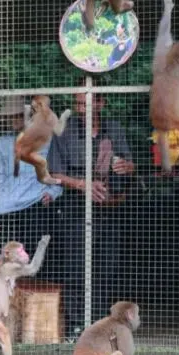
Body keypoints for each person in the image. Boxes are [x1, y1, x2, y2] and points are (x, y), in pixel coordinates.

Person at [47, 91, 134, 336]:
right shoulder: (63, 131)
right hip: (75, 208)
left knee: (106, 268)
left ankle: (100, 324)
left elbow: (131, 164)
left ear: (100, 103)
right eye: (77, 104)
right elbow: (52, 173)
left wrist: (127, 166)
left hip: (109, 207)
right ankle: (76, 326)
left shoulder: (114, 129)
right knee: (76, 267)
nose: (81, 109)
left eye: (86, 103)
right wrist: (82, 184)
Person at [0, 97, 62, 259]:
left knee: (36, 261)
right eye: (10, 116)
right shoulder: (2, 143)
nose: (13, 119)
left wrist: (53, 193)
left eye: (18, 115)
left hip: (36, 207)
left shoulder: (46, 140)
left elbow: (57, 171)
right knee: (10, 264)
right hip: (7, 210)